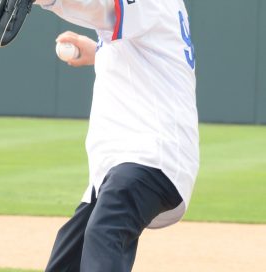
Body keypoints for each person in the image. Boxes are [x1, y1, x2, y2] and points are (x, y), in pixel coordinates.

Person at [34, 0, 199, 271]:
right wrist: (99, 52)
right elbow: (146, 49)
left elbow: (102, 9)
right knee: (68, 258)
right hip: (123, 165)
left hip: (150, 157)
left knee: (104, 231)